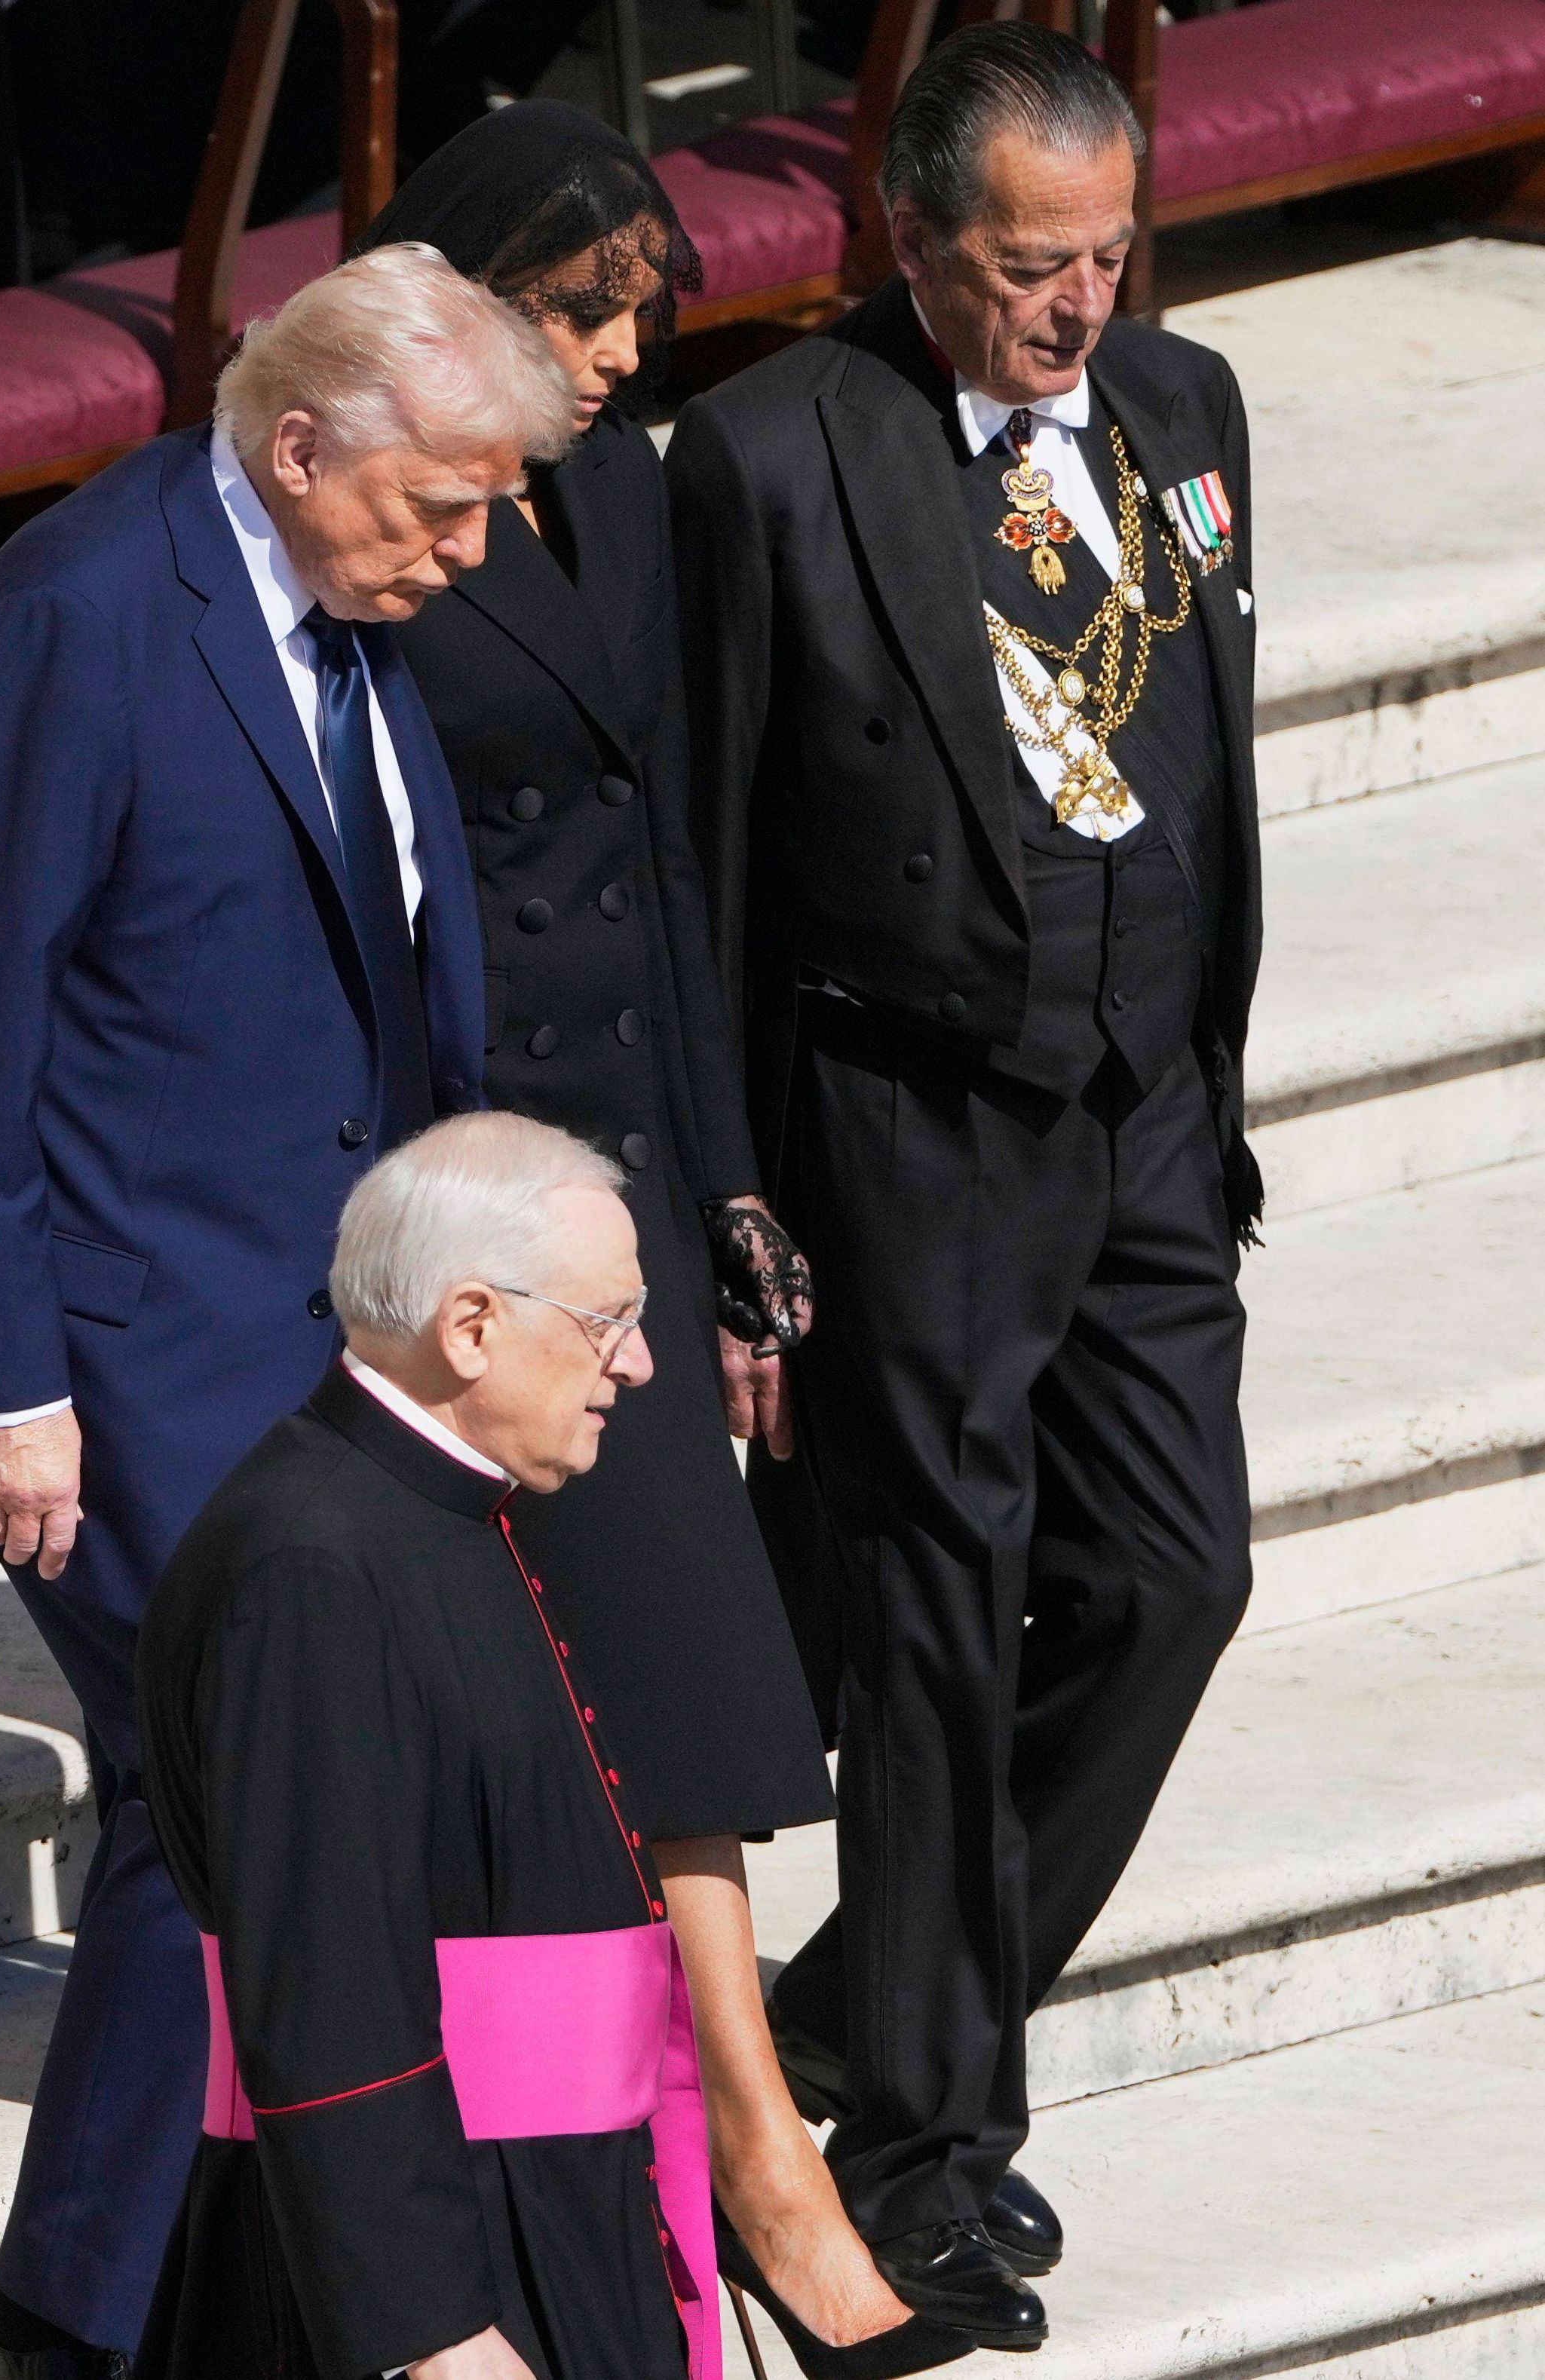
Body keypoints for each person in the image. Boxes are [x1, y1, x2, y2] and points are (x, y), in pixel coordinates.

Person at [0, 247, 578, 2378]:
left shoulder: (345, 604)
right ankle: (66, 2331)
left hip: (302, 1326)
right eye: (438, 503)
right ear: (299, 441)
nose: (470, 547)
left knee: (242, 1806)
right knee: (221, 1789)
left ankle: (170, 2303)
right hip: (118, 1341)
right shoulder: (75, 621)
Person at [667, 23, 1261, 2354]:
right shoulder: (768, 454)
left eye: (1107, 255)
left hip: (1137, 1117)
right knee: (929, 1629)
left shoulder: (1189, 408)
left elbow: (1194, 738)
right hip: (905, 1127)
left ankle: (851, 2015)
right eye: (1029, 266)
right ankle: (924, 2152)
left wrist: (1203, 1075)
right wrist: (726, 1195)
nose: (1076, 307)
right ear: (910, 241)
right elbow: (699, 846)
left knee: (1173, 1574)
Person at [357, 108, 936, 2377]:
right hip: (469, 1198)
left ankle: (740, 2144)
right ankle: (754, 2160)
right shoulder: (389, 522)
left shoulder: (623, 490)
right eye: (578, 310)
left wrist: (719, 1205)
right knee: (624, 1702)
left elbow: (675, 862)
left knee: (689, 1687)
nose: (615, 356)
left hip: (621, 1180)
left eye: (634, 315)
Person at [133, 1112, 972, 2380]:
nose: (636, 1366)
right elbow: (325, 1982)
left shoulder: (441, 1509)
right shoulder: (309, 1565)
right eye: (607, 1321)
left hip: (554, 2200)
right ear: (470, 1324)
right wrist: (430, 2330)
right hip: (452, 2267)